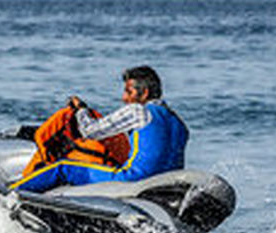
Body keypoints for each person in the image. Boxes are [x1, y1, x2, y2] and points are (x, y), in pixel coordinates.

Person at [10, 65, 188, 193]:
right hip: (165, 186)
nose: (124, 98)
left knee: (63, 167)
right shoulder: (179, 124)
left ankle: (9, 193)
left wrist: (81, 110)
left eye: (129, 91)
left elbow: (90, 131)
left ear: (145, 93)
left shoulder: (138, 111)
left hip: (133, 180)